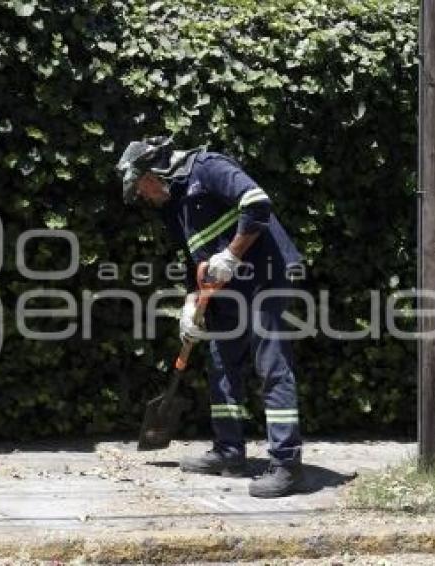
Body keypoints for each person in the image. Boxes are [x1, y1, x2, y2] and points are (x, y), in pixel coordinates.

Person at [116, 136, 305, 498]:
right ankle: (229, 452)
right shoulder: (171, 208)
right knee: (221, 362)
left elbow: (257, 203)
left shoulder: (208, 168)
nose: (143, 196)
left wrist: (232, 255)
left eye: (142, 187)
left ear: (157, 172)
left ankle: (287, 465)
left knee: (272, 366)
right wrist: (191, 305)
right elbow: (196, 262)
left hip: (267, 274)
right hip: (227, 287)